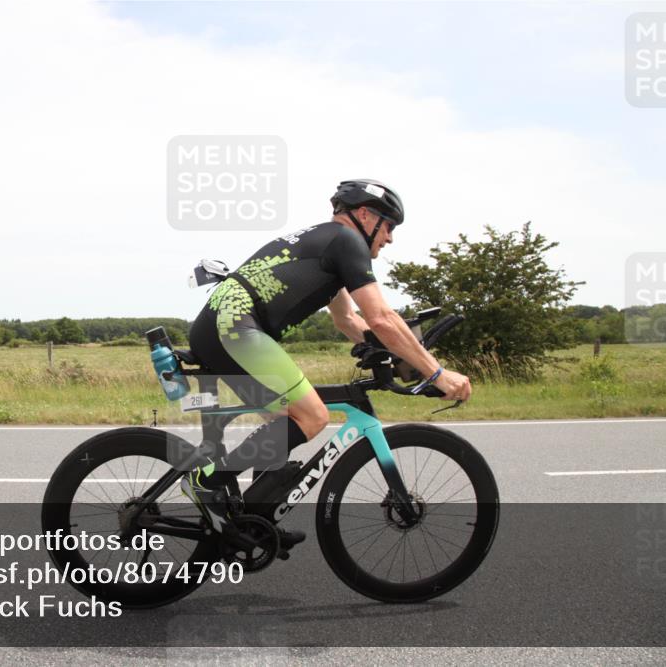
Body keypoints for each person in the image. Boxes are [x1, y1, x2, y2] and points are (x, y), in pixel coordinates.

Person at [181, 179, 472, 537]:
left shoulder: (328, 242)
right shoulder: (347, 241)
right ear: (366, 215)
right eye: (390, 226)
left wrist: (386, 349)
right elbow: (381, 317)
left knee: (282, 419)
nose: (391, 238)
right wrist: (437, 373)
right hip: (234, 327)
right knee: (313, 415)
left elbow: (348, 320)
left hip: (220, 325)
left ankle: (253, 518)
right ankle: (206, 483)